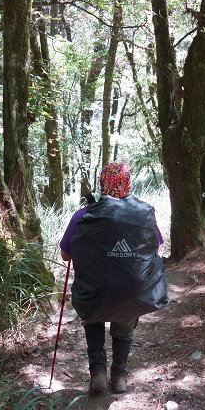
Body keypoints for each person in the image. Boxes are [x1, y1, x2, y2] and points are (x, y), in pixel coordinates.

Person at [59, 163, 168, 395]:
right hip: (132, 289)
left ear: (102, 183)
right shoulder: (143, 214)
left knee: (93, 318)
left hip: (95, 289)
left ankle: (97, 374)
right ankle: (119, 377)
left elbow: (66, 254)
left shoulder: (84, 215)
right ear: (128, 183)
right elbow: (155, 245)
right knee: (125, 322)